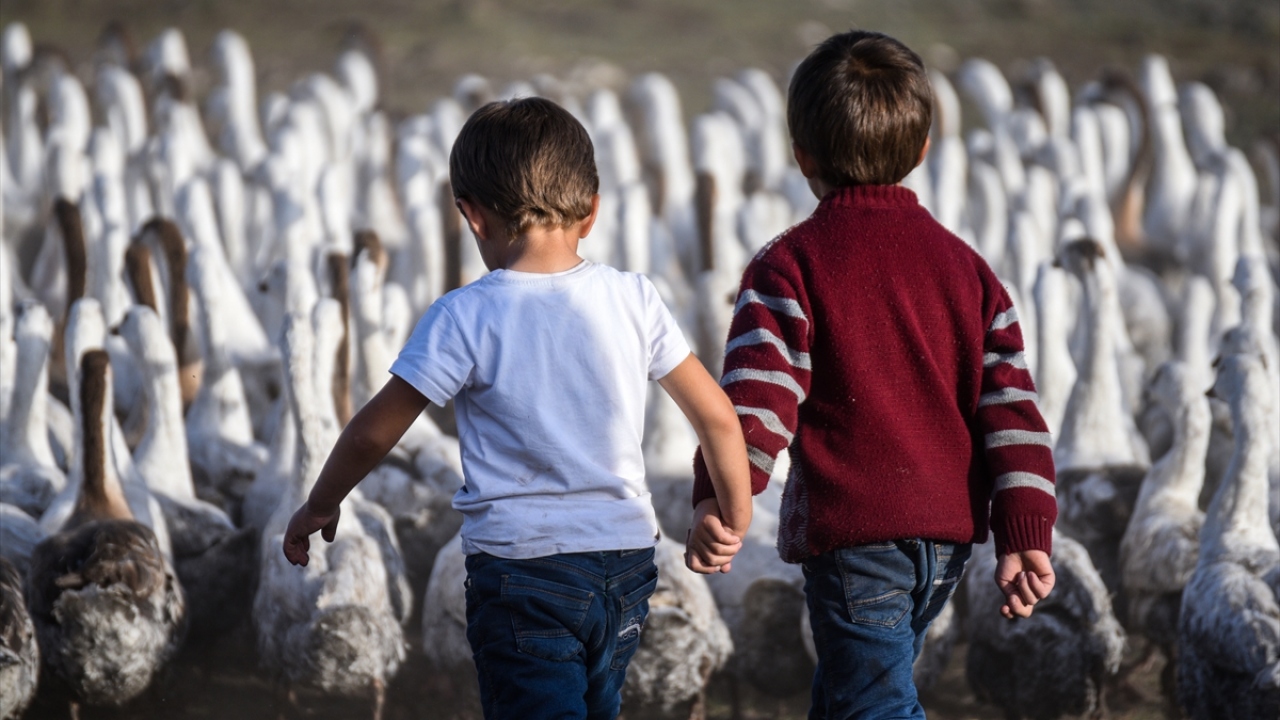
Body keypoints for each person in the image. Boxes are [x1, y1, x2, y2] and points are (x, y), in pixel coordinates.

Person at [280, 96, 753, 719]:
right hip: (626, 562)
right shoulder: (633, 297)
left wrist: (321, 502)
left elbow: (373, 433)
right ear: (591, 212)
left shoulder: (464, 315)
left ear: (472, 218)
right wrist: (732, 519)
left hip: (521, 571)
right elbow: (718, 417)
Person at [686, 30, 1058, 719]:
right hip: (947, 544)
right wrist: (1025, 533)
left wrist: (721, 499)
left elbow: (757, 408)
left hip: (857, 544)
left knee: (873, 707)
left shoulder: (788, 267)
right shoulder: (970, 272)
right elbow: (1014, 413)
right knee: (851, 695)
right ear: (922, 151)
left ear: (801, 156)